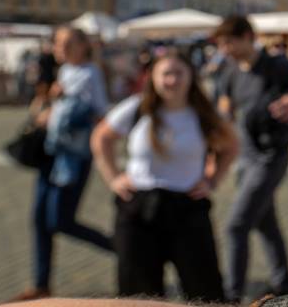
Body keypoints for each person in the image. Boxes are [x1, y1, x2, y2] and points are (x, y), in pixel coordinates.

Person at [90, 50, 239, 302]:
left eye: (178, 73)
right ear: (153, 78)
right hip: (138, 211)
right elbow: (101, 137)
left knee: (205, 291)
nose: (172, 80)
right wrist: (113, 177)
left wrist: (212, 180)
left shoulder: (203, 113)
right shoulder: (137, 107)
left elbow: (231, 146)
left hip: (188, 209)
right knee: (138, 295)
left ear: (191, 76)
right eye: (165, 74)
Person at [213, 15, 288, 302]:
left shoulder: (276, 65)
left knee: (236, 226)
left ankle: (231, 296)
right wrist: (224, 113)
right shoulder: (229, 70)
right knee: (266, 225)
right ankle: (283, 284)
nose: (225, 49)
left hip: (270, 157)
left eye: (229, 42)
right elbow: (225, 102)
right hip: (244, 158)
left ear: (247, 37)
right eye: (221, 44)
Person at [11, 27, 114, 302]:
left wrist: (71, 114)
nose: (61, 49)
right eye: (58, 44)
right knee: (39, 220)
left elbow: (102, 113)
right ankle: (41, 284)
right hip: (51, 153)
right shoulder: (64, 72)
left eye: (68, 44)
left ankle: (122, 248)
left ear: (83, 46)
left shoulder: (91, 73)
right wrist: (49, 106)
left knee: (60, 220)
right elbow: (47, 108)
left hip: (74, 157)